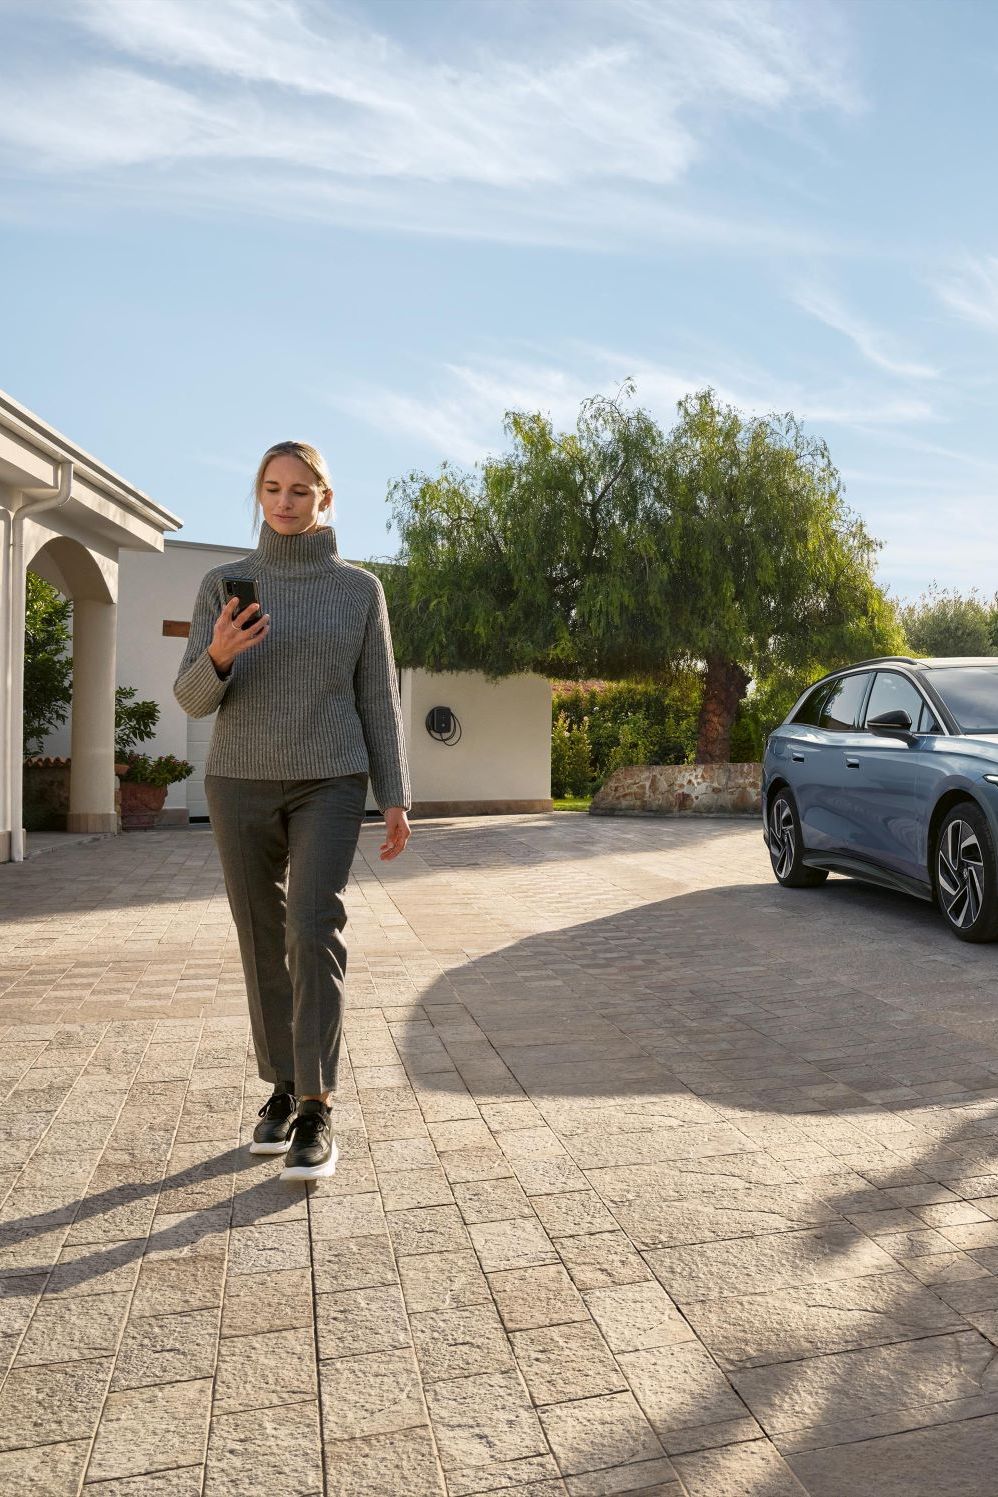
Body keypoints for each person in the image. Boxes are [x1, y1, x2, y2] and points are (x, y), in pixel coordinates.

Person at [174, 440, 411, 1180]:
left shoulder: (358, 589)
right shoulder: (223, 584)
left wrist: (395, 793)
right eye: (273, 488)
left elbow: (379, 695)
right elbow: (189, 698)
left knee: (313, 927)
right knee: (260, 936)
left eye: (300, 490)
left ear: (325, 500)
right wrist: (216, 654)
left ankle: (315, 1103)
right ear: (260, 495)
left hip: (331, 780)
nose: (285, 501)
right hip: (238, 780)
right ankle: (279, 1087)